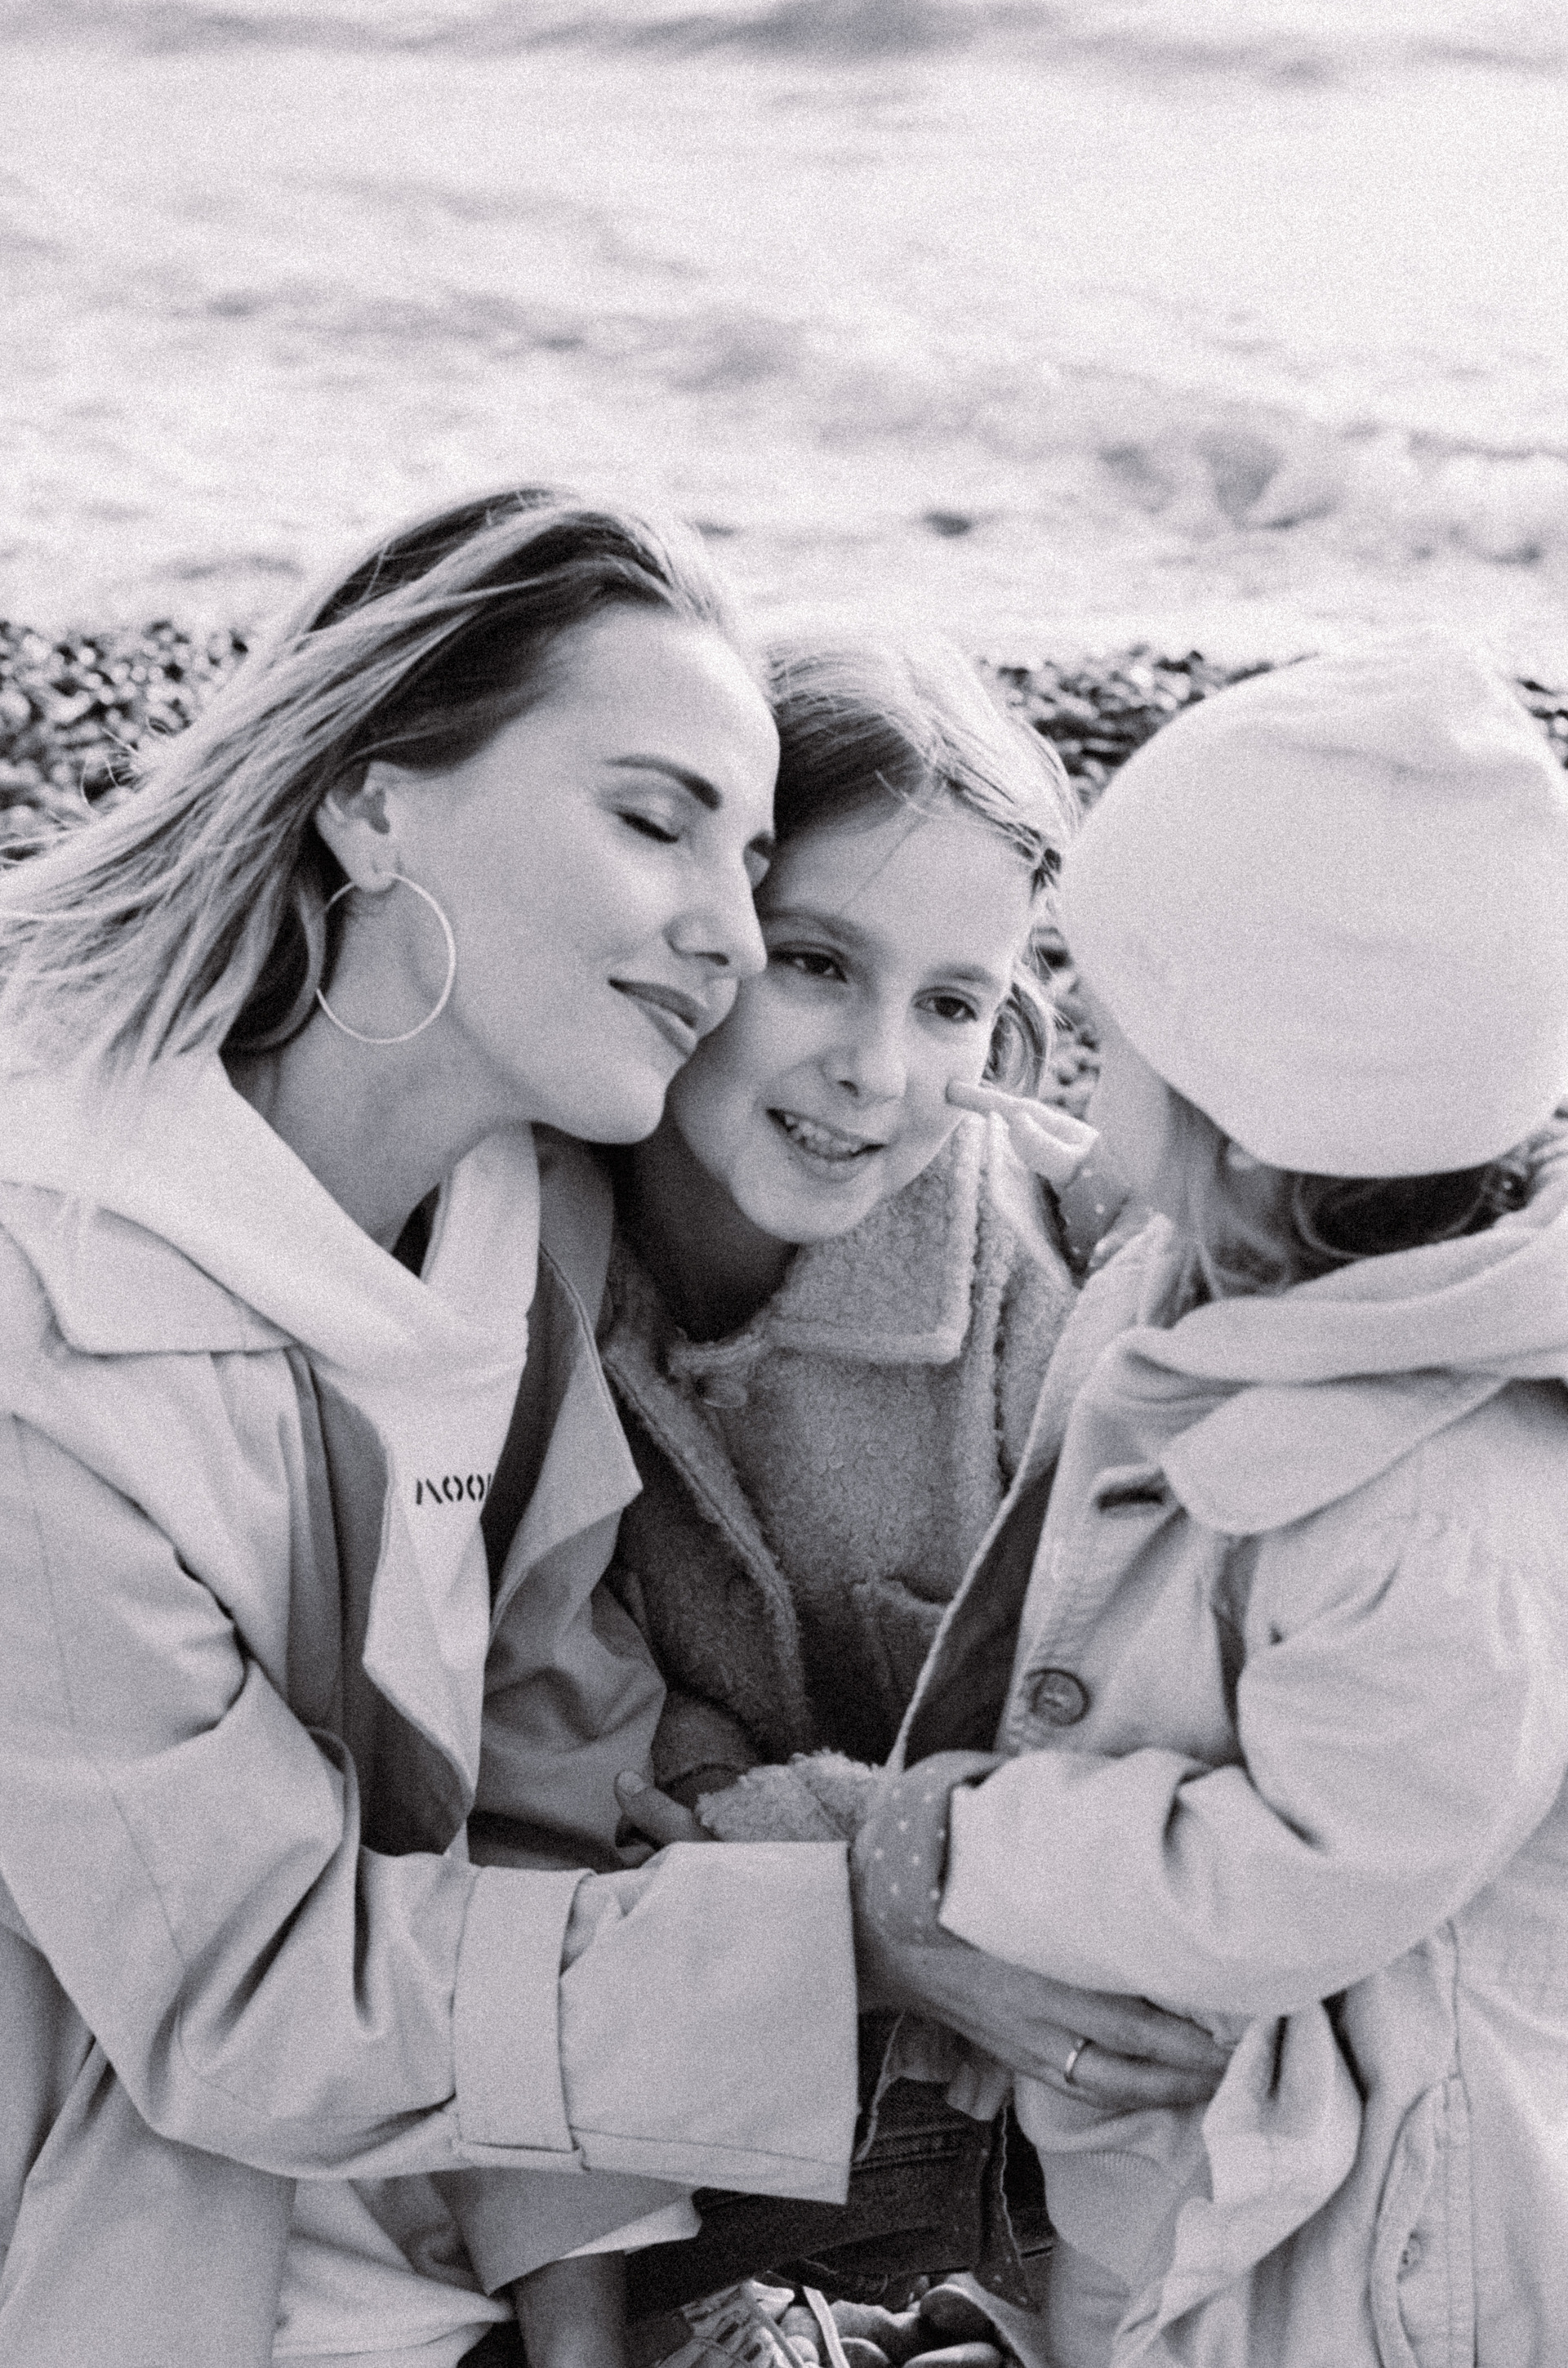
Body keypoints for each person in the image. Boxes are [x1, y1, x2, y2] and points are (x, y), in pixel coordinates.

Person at [0, 486, 837, 2368]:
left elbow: (534, 1795)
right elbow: (249, 2000)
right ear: (374, 807)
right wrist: (859, 1938)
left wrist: (581, 2326)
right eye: (655, 821)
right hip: (121, 2282)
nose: (727, 933)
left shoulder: (524, 1234)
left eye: (753, 861)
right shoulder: (46, 1311)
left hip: (451, 2261)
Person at [847, 636, 1568, 2366]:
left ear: (1247, 1117)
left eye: (1116, 1038)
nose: (1077, 1076)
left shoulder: (1444, 1515)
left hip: (1385, 2252)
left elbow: (1301, 1874)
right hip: (1207, 2153)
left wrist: (962, 1846)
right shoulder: (1197, 1283)